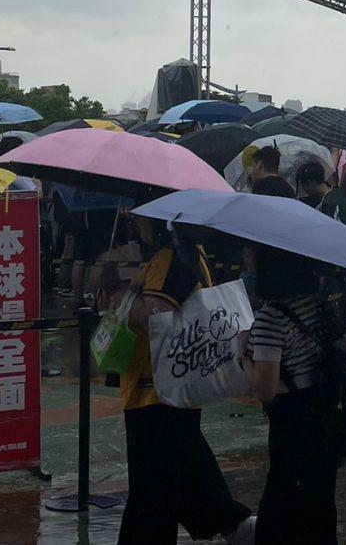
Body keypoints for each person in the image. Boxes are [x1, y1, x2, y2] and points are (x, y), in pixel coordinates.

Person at [118, 220, 252, 544]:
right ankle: (233, 521)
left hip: (157, 392)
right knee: (164, 489)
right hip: (168, 389)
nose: (134, 220)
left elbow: (155, 315)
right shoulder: (187, 252)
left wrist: (121, 300)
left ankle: (235, 522)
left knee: (152, 498)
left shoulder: (170, 257)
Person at [240, 246, 341, 544]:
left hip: (293, 425)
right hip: (325, 418)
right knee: (319, 509)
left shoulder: (271, 317)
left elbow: (265, 390)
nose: (246, 258)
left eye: (251, 253)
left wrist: (244, 358)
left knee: (279, 513)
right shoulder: (317, 304)